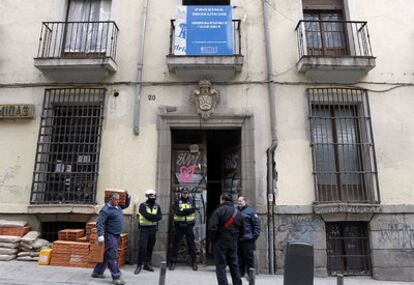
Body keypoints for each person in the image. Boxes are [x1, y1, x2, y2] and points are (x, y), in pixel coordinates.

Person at [91, 191, 131, 285]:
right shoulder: (105, 210)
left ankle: (97, 272)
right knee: (112, 256)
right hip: (110, 236)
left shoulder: (118, 207)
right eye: (116, 199)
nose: (118, 201)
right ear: (110, 199)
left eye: (118, 199)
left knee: (106, 255)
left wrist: (128, 197)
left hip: (116, 235)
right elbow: (99, 223)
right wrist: (100, 235)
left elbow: (126, 204)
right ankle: (116, 277)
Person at [208, 193, 243, 285]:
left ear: (222, 200)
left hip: (220, 241)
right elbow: (242, 229)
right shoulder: (237, 212)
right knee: (234, 264)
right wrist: (236, 238)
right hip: (233, 242)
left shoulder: (218, 211)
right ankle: (238, 283)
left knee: (220, 266)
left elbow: (212, 227)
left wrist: (213, 239)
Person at [168, 188, 198, 271]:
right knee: (176, 244)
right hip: (179, 226)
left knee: (191, 244)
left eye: (186, 193)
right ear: (181, 193)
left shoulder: (192, 200)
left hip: (189, 225)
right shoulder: (177, 201)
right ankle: (172, 262)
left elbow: (193, 210)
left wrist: (183, 210)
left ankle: (194, 262)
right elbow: (177, 212)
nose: (185, 194)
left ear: (188, 193)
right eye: (183, 193)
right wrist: (187, 211)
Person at [134, 189, 162, 275]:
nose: (152, 197)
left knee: (150, 247)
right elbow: (146, 216)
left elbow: (160, 216)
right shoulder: (143, 205)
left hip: (153, 229)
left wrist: (153, 217)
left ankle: (147, 264)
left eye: (154, 196)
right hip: (144, 229)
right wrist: (154, 217)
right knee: (142, 247)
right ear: (147, 196)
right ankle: (139, 265)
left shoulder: (157, 206)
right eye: (150, 196)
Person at [237, 196, 261, 279]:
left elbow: (257, 225)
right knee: (239, 257)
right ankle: (241, 273)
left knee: (249, 257)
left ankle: (250, 274)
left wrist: (254, 237)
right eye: (238, 201)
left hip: (248, 239)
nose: (239, 202)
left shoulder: (251, 211)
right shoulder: (236, 211)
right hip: (238, 239)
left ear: (245, 201)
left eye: (241, 201)